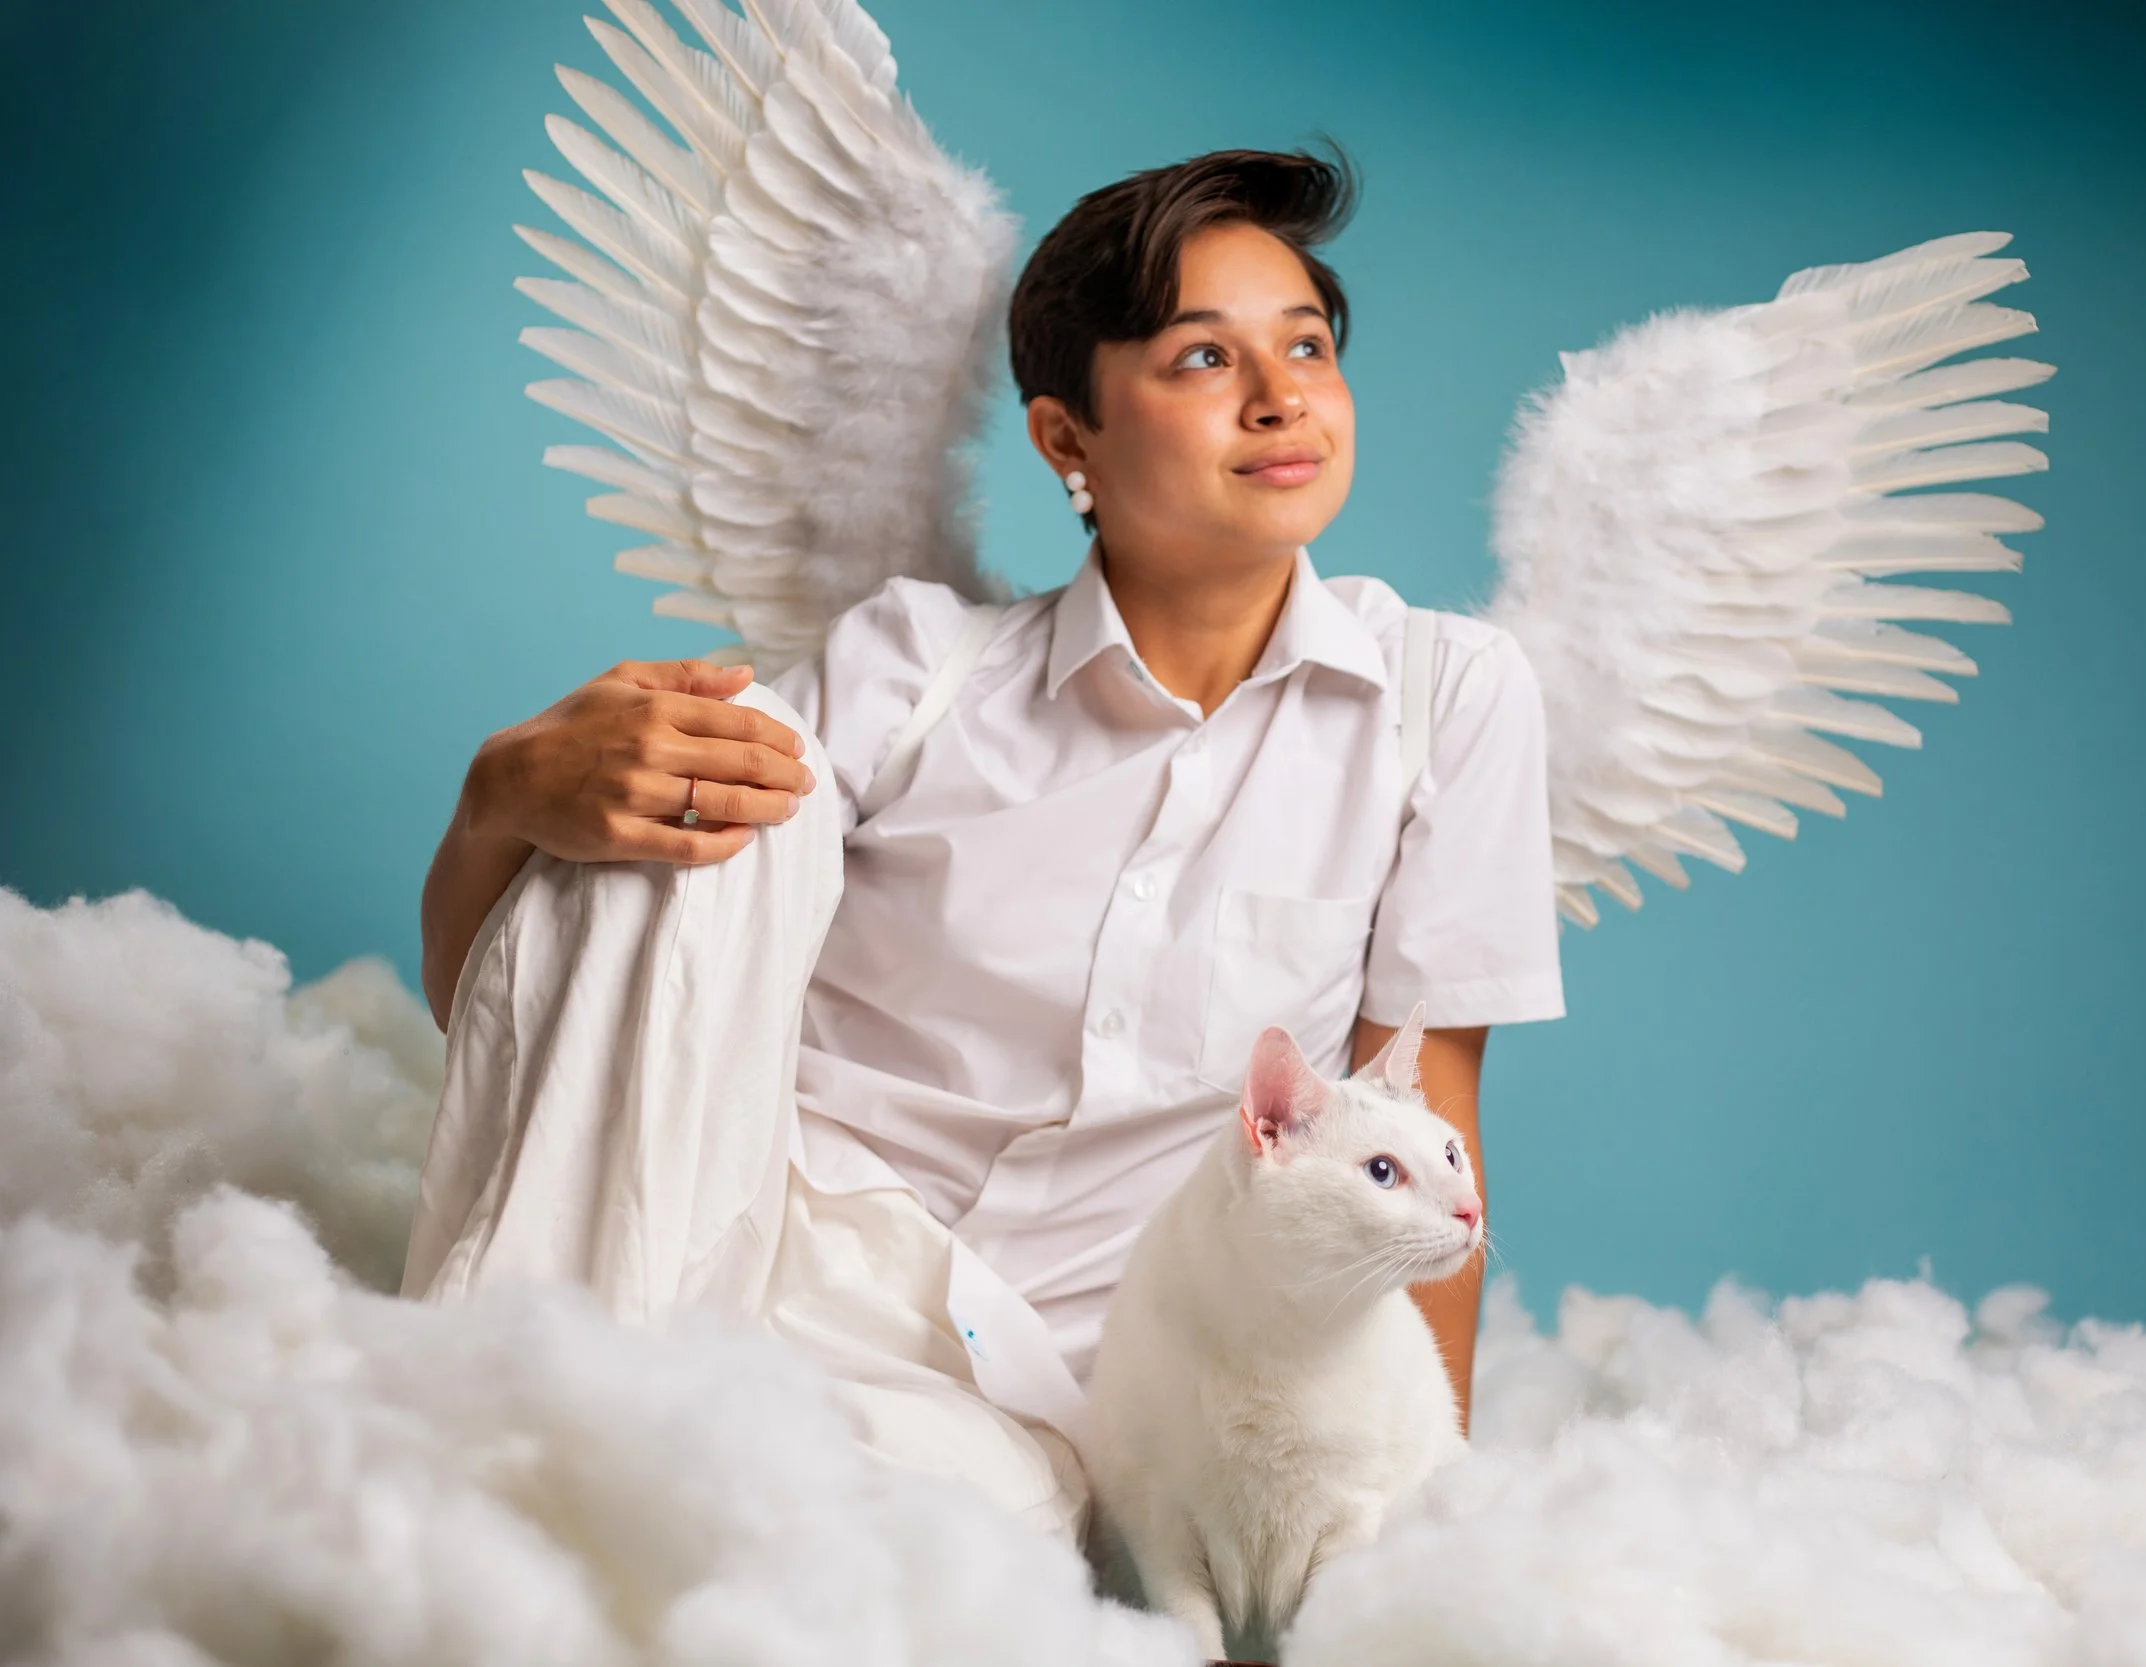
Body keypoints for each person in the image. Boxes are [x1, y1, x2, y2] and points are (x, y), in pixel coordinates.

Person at [403, 150, 1564, 1539]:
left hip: (1028, 1403)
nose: (1281, 396)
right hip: (737, 1254)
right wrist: (499, 801)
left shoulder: (1443, 700)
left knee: (831, 1551)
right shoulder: (910, 673)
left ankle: (534, 1474)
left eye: (1306, 344)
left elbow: (1423, 1141)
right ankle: (479, 1458)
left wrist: (1413, 1547)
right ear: (1067, 440)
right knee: (719, 761)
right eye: (1203, 356)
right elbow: (577, 1029)